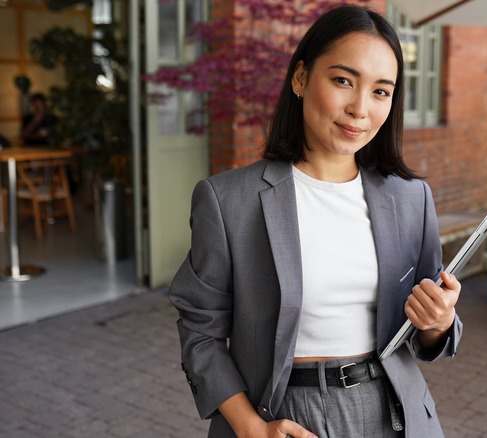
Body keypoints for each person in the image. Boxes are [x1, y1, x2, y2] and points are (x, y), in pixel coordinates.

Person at [168, 5, 463, 438]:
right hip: (281, 413)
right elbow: (200, 332)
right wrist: (250, 427)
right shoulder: (229, 200)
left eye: (381, 91)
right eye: (343, 80)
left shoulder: (410, 199)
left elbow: (424, 334)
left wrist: (438, 322)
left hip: (393, 412)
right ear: (301, 78)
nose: (360, 108)